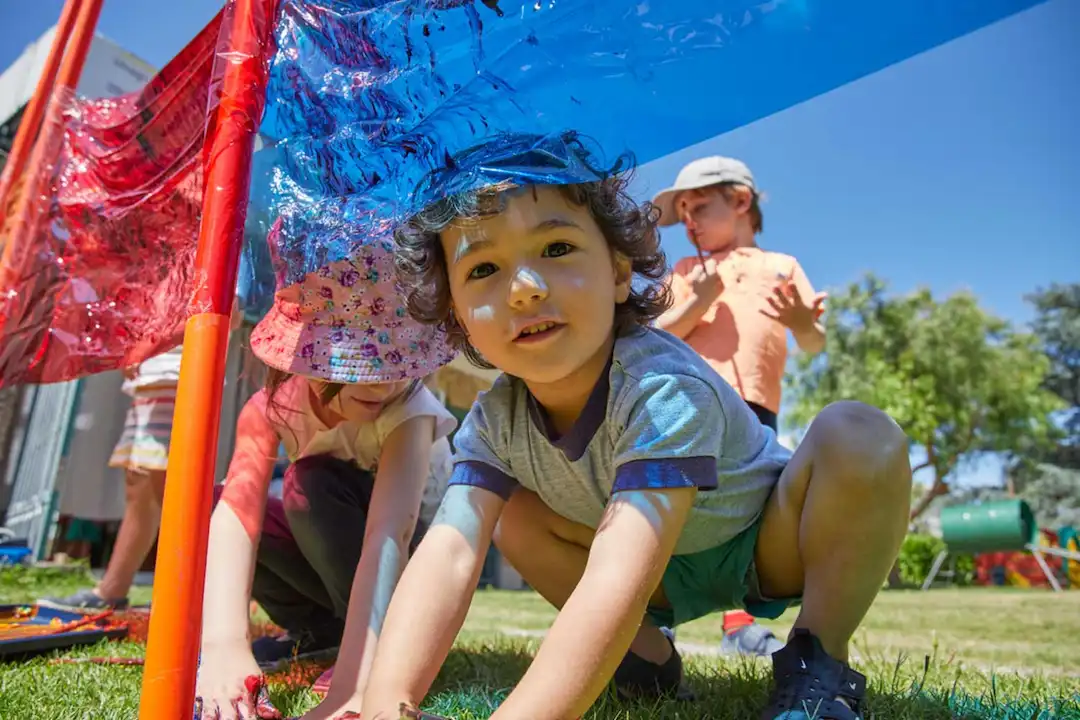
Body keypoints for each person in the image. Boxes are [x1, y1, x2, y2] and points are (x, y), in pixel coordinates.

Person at [357, 132, 912, 720]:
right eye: (485, 267)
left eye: (556, 249)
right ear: (460, 319)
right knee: (509, 514)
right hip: (652, 575)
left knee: (859, 432)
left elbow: (617, 576)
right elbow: (446, 553)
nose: (524, 290)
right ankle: (645, 659)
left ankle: (816, 661)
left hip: (763, 546)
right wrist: (384, 704)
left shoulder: (660, 386)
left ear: (620, 272)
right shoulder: (496, 418)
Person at [193, 243, 458, 720]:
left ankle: (363, 644)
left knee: (309, 484)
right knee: (229, 503)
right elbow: (237, 516)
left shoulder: (410, 414)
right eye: (356, 362)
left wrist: (361, 680)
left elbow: (390, 533)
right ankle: (322, 631)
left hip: (409, 568)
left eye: (396, 363)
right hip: (337, 555)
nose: (381, 384)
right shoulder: (271, 409)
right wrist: (222, 646)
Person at [652, 156, 827, 656]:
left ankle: (741, 625)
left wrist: (800, 320)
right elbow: (655, 336)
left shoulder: (782, 267)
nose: (687, 222)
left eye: (699, 208)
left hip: (755, 412)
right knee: (669, 507)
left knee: (750, 514)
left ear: (742, 202)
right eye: (681, 213)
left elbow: (814, 342)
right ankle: (654, 618)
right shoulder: (685, 271)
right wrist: (697, 300)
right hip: (684, 406)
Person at [41, 346, 184, 612]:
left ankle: (178, 594)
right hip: (155, 372)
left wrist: (150, 343)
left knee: (159, 479)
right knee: (139, 477)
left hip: (179, 370)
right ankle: (114, 589)